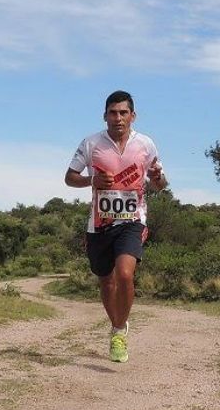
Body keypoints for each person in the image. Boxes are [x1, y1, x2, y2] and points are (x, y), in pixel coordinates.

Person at [65, 90, 167, 363]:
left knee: (124, 274)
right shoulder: (91, 143)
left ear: (133, 116)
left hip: (132, 221)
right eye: (113, 112)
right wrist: (91, 181)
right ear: (105, 116)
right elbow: (69, 177)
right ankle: (117, 326)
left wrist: (158, 178)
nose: (118, 118)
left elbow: (160, 184)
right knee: (106, 281)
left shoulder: (146, 144)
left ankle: (120, 331)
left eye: (123, 113)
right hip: (99, 225)